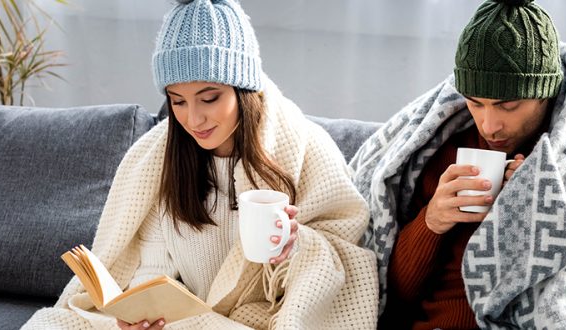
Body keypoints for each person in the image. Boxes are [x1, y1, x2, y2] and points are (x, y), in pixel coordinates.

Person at [22, 0, 379, 329]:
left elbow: (344, 254)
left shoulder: (305, 147)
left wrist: (293, 247)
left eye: (209, 98)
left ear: (244, 89)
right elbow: (151, 266)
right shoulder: (159, 158)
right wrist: (138, 316)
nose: (194, 119)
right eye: (177, 101)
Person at [351, 0, 566, 329]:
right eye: (476, 104)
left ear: (544, 94)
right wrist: (432, 220)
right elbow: (390, 297)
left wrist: (542, 209)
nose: (489, 125)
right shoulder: (441, 155)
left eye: (509, 106)